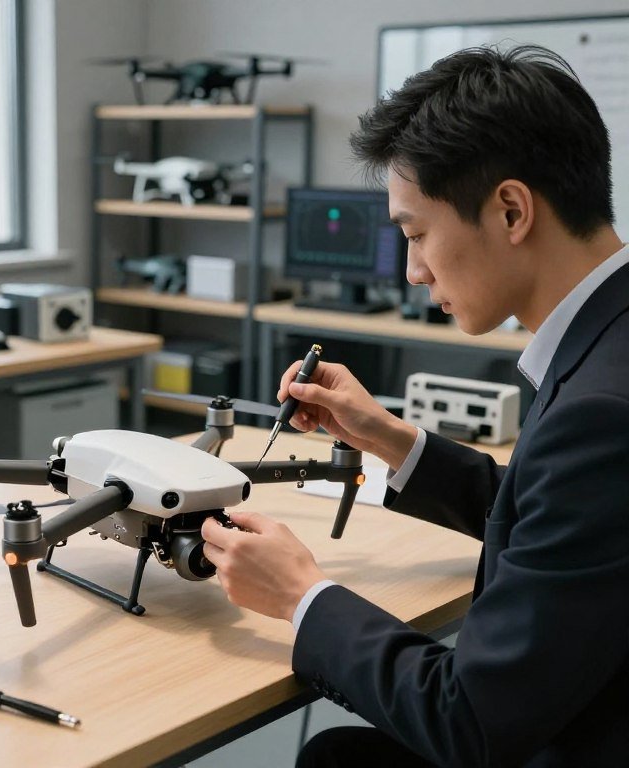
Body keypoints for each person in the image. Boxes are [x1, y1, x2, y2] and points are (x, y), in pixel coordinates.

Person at [201, 44, 628, 767]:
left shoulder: (603, 414)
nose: (413, 270)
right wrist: (393, 440)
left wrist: (302, 595)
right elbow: (564, 519)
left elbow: (471, 724)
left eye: (417, 232)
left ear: (512, 210)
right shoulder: (611, 341)